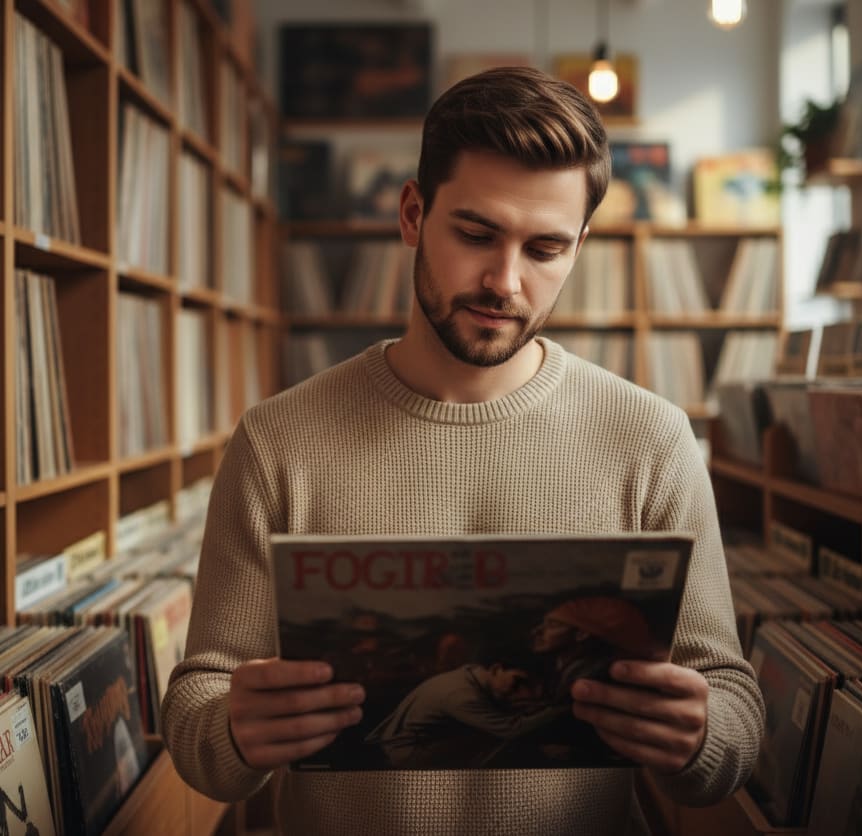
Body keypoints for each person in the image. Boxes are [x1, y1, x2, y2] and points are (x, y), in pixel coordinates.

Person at [162, 66, 765, 835]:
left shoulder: (649, 438)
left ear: (580, 246)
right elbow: (196, 705)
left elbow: (734, 705)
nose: (504, 281)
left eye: (545, 248)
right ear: (413, 213)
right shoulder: (278, 441)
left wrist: (701, 737)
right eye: (476, 234)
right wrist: (230, 733)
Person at [364, 662, 558, 768]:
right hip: (408, 754)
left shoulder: (469, 675)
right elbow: (511, 730)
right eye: (517, 682)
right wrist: (557, 709)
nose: (522, 692)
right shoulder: (462, 695)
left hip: (410, 745)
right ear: (497, 669)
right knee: (501, 740)